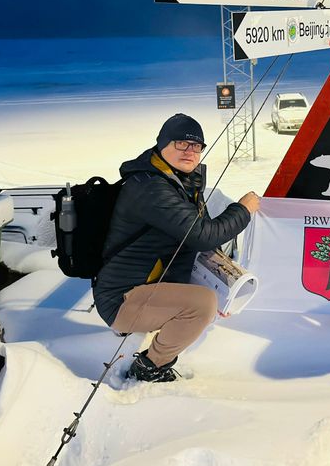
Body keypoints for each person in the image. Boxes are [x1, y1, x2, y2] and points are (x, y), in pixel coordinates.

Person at [93, 113, 260, 382]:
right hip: (121, 300)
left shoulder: (178, 182)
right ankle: (150, 366)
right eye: (181, 143)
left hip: (145, 287)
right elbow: (204, 235)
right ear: (162, 144)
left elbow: (197, 238)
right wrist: (242, 210)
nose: (190, 151)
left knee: (208, 297)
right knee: (203, 304)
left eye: (196, 146)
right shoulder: (151, 187)